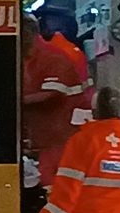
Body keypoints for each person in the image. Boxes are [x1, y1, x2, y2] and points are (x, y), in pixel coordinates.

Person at [22, 14, 87, 188]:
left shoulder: (53, 57)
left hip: (61, 139)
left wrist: (9, 101)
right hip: (46, 140)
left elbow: (50, 95)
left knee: (54, 188)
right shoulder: (27, 60)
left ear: (27, 34)